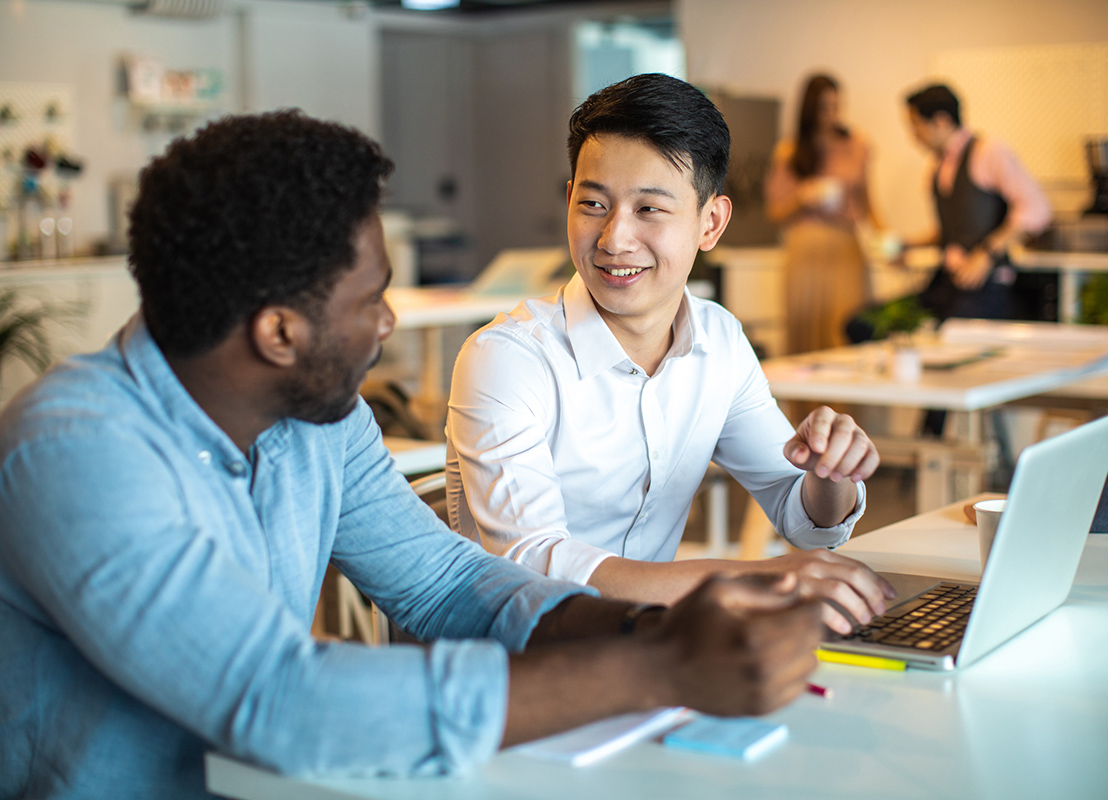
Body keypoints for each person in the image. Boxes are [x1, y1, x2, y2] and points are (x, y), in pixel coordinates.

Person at [0, 110, 833, 799]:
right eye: (371, 299)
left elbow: (447, 584)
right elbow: (280, 698)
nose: (391, 323)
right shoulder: (76, 452)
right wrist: (655, 667)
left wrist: (649, 622)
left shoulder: (315, 417)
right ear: (279, 332)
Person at [446, 74, 894, 626]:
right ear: (569, 201)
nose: (614, 238)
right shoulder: (508, 358)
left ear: (711, 223)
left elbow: (802, 517)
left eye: (649, 209)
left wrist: (831, 475)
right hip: (524, 667)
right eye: (593, 204)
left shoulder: (719, 341)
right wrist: (748, 577)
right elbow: (533, 565)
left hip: (653, 649)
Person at [901, 83, 1051, 323]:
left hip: (987, 286)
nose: (913, 136)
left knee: (948, 335)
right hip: (949, 281)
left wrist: (986, 254)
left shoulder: (988, 151)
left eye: (916, 125)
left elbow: (1036, 208)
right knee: (864, 325)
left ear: (941, 121)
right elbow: (952, 232)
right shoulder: (935, 167)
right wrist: (906, 245)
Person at [765, 73, 881, 355]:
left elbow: (869, 204)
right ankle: (809, 400)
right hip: (806, 249)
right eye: (824, 107)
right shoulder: (790, 151)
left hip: (846, 248)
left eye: (836, 106)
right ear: (809, 109)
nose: (831, 114)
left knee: (848, 327)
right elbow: (776, 213)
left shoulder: (856, 144)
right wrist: (802, 198)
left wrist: (888, 242)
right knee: (807, 333)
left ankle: (847, 401)